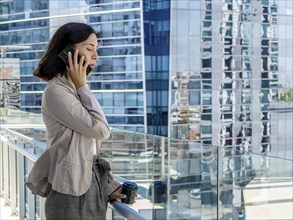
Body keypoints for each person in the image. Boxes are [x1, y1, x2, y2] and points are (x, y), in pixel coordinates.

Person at [25, 22, 126, 220]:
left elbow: (90, 150)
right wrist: (82, 86)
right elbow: (101, 130)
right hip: (70, 194)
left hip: (89, 188)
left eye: (96, 49)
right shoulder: (57, 91)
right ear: (68, 52)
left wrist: (107, 186)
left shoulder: (73, 89)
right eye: (89, 49)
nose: (95, 56)